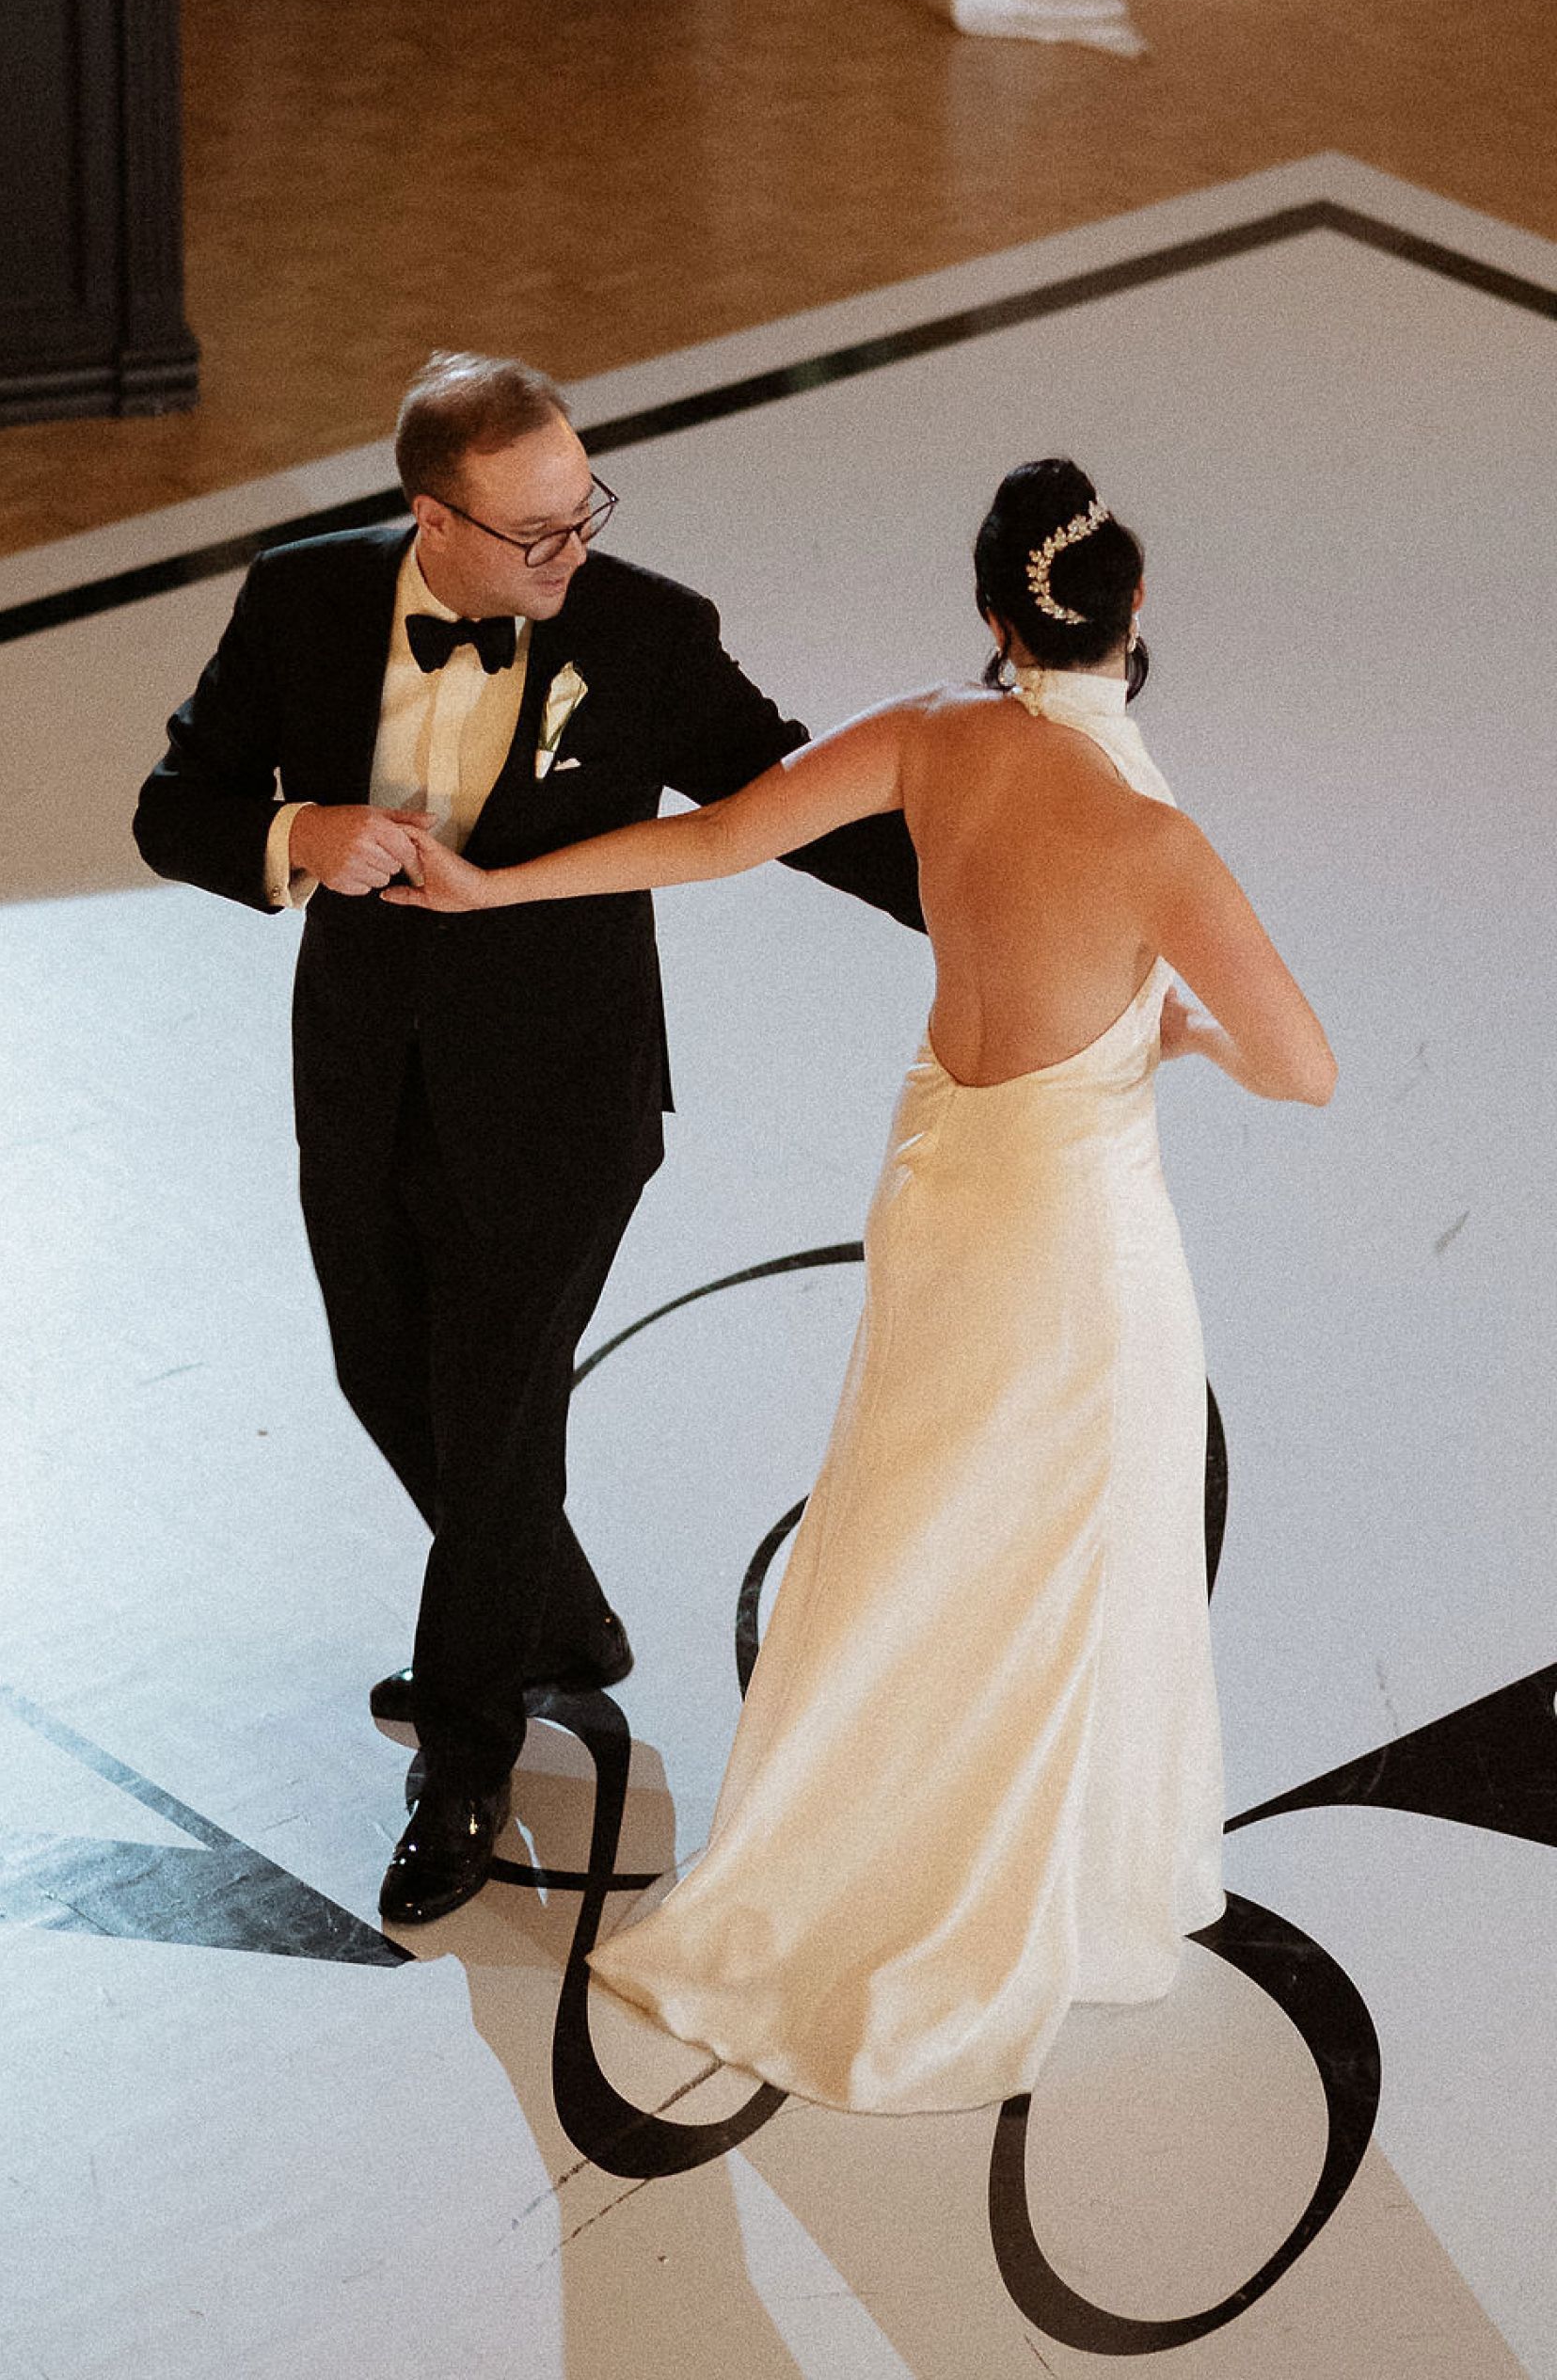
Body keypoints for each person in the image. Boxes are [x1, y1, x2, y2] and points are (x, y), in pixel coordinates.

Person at [380, 458, 1337, 2111]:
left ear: (990, 620)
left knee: (897, 1525)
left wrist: (502, 883)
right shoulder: (1152, 835)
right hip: (1072, 1222)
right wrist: (1174, 1029)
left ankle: (833, 1851)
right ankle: (1030, 1886)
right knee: (1059, 1556)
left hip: (937, 1185)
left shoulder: (932, 737)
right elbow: (1305, 1068)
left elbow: (718, 839)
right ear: (1136, 616)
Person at [132, 352, 924, 1929]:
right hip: (365, 1072)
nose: (575, 553)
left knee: (495, 1413)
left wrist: (994, 899)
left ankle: (469, 1754)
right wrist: (298, 836)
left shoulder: (644, 629)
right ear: (434, 519)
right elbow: (176, 806)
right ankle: (552, 1610)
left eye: (583, 513)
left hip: (564, 1095)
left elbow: (785, 796)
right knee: (384, 1370)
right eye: (537, 533)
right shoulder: (298, 603)